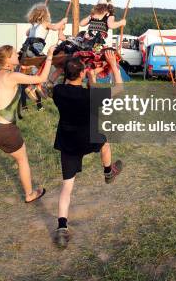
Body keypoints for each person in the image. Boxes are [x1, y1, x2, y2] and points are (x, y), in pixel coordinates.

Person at [0, 44, 55, 226]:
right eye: (15, 54)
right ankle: (30, 194)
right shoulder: (12, 76)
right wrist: (51, 56)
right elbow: (42, 78)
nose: (18, 55)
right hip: (5, 129)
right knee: (22, 160)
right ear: (7, 59)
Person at [52, 50, 123, 248]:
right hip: (88, 138)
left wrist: (58, 68)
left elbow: (50, 82)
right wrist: (112, 65)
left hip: (67, 142)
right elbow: (119, 88)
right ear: (82, 74)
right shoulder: (90, 95)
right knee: (105, 142)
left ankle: (62, 227)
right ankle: (108, 172)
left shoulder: (58, 92)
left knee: (67, 187)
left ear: (65, 74)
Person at [19, 4, 67, 110]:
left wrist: (33, 27)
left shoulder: (33, 25)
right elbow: (55, 27)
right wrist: (63, 21)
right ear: (45, 15)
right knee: (47, 62)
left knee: (41, 64)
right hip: (34, 51)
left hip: (26, 50)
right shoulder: (45, 23)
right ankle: (35, 86)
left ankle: (35, 85)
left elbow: (27, 33)